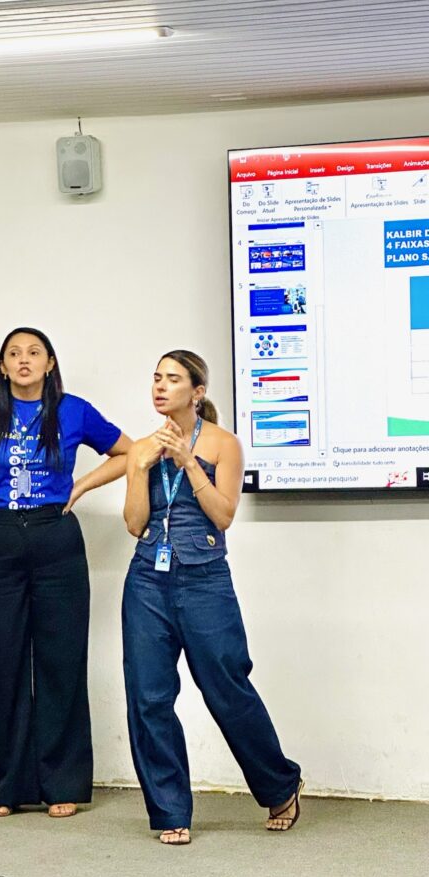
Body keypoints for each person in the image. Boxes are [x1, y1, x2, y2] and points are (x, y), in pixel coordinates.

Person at [0, 327, 131, 818]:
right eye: (13, 353)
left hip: (56, 536)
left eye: (34, 352)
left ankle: (63, 784)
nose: (23, 360)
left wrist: (82, 485)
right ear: (3, 365)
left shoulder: (73, 410)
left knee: (61, 661)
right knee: (2, 660)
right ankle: (5, 786)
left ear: (50, 363)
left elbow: (129, 452)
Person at [122, 349, 302, 845]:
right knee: (148, 697)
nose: (160, 387)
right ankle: (170, 811)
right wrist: (138, 471)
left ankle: (280, 784)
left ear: (197, 392)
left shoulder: (224, 444)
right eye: (156, 378)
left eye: (172, 379)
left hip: (204, 581)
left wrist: (187, 462)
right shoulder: (141, 448)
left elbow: (223, 515)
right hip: (147, 580)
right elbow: (134, 523)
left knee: (227, 687)